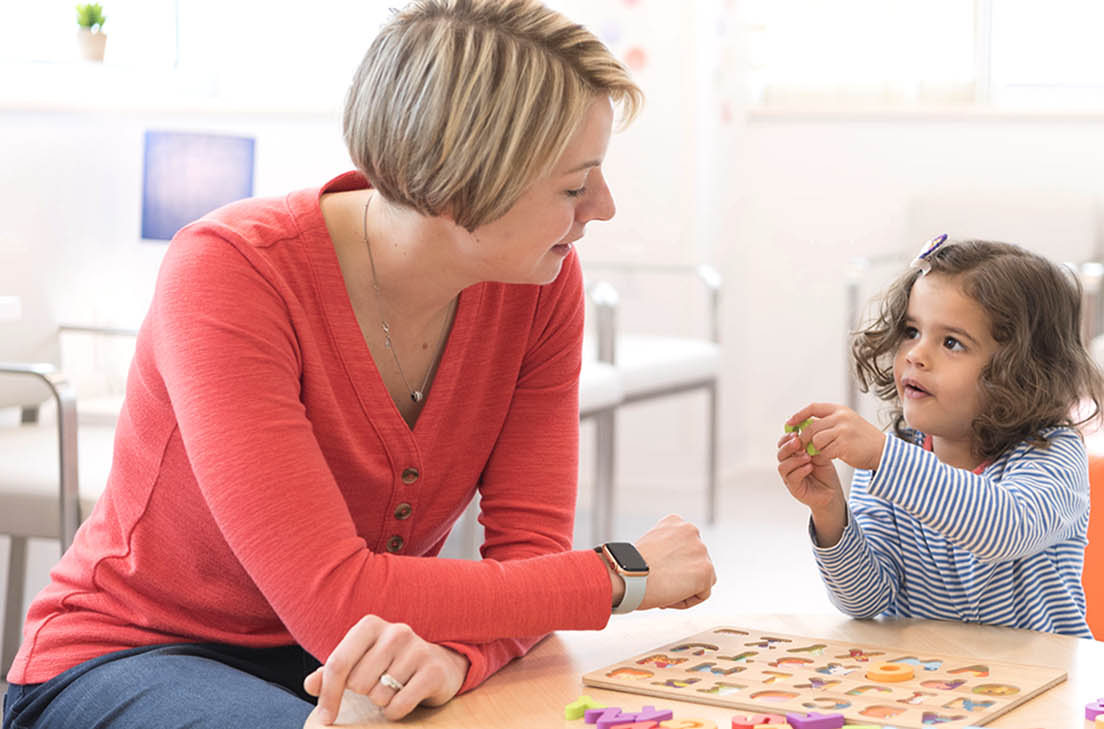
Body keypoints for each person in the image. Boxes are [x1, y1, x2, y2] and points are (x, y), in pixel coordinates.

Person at [4, 2, 716, 727]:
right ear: (457, 184)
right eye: (575, 185)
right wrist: (623, 572)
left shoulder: (540, 287)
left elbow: (529, 562)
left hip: (361, 659)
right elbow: (336, 597)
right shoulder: (229, 273)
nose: (605, 207)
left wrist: (457, 657)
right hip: (135, 656)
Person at [776, 236, 1104, 637]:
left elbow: (1006, 528)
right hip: (928, 687)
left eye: (951, 342)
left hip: (1045, 682)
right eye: (911, 331)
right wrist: (831, 514)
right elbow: (865, 601)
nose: (916, 354)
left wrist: (884, 458)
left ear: (1021, 371)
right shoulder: (890, 462)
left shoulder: (1052, 453)